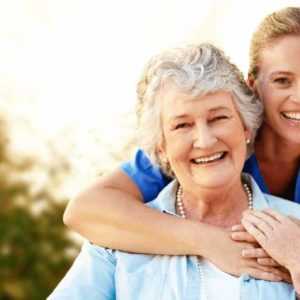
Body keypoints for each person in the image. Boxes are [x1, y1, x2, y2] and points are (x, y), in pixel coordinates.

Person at [64, 7, 300, 280]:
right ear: (253, 85)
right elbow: (85, 210)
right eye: (282, 80)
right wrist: (210, 241)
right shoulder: (208, 147)